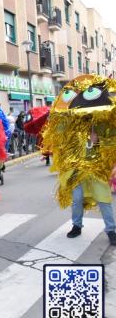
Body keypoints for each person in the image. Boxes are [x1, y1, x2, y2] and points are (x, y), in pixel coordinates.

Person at [42, 74, 116, 245]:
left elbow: (112, 141)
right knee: (77, 199)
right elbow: (59, 137)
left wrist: (99, 140)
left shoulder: (102, 123)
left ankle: (111, 230)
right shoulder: (70, 123)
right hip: (75, 169)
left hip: (96, 168)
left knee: (104, 198)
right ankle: (77, 226)